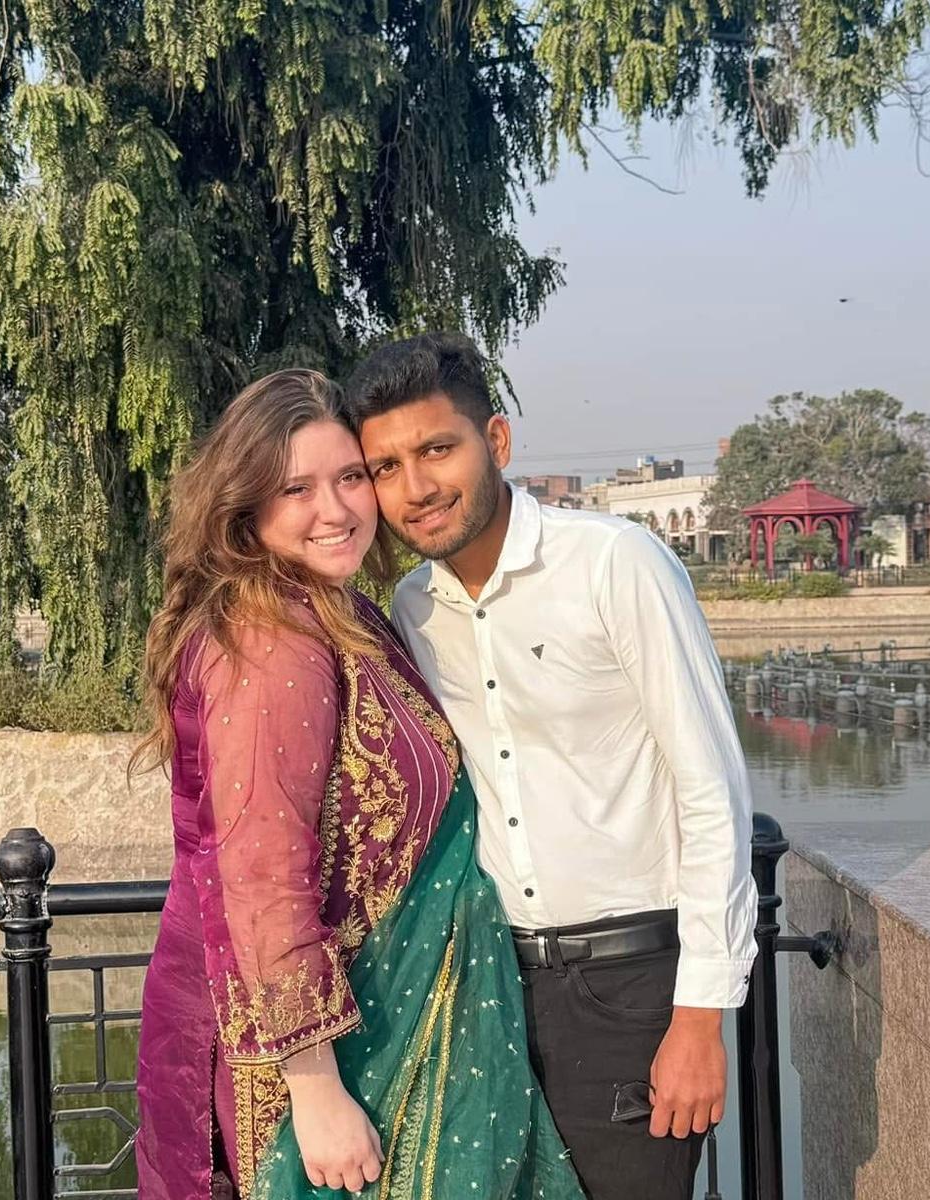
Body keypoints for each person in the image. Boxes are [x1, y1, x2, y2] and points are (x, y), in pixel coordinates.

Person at [132, 368, 586, 1200]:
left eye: (350, 477)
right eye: (296, 489)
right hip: (317, 1060)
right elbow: (262, 872)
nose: (335, 509)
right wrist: (315, 1093)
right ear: (246, 506)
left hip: (387, 1021)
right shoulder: (270, 637)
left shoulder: (337, 611)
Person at [348, 333, 760, 1200]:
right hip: (486, 988)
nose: (416, 487)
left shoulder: (615, 563)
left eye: (436, 449)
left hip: (630, 988)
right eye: (386, 467)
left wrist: (701, 1016)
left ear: (495, 441)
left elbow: (710, 787)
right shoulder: (413, 607)